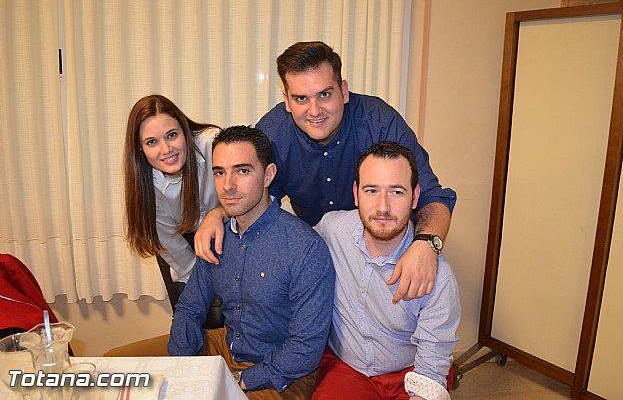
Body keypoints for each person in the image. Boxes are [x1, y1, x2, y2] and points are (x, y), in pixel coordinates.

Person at [194, 41, 456, 303]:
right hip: (313, 256)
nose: (314, 111)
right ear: (287, 100)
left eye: (324, 94)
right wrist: (218, 214)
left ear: (343, 91)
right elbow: (254, 195)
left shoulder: (378, 122)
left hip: (384, 251)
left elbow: (432, 196)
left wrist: (426, 244)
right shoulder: (274, 132)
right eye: (301, 99)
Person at [168, 126, 335, 399]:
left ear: (268, 175)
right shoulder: (217, 236)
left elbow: (304, 349)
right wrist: (180, 365)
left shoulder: (305, 248)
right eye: (219, 172)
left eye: (242, 171)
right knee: (123, 366)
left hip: (281, 373)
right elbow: (189, 308)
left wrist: (235, 381)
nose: (228, 185)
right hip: (226, 347)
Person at [312, 141, 461, 400]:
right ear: (356, 193)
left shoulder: (439, 276)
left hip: (412, 370)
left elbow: (431, 366)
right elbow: (292, 255)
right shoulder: (331, 230)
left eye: (397, 192)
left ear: (415, 197)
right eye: (371, 190)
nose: (382, 207)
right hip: (347, 367)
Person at [123, 94, 221, 314]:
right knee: (196, 315)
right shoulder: (147, 185)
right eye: (152, 142)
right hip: (177, 239)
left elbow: (246, 191)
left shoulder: (212, 144)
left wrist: (218, 213)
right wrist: (203, 287)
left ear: (185, 131)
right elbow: (173, 245)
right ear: (140, 148)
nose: (166, 149)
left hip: (226, 231)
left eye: (172, 135)